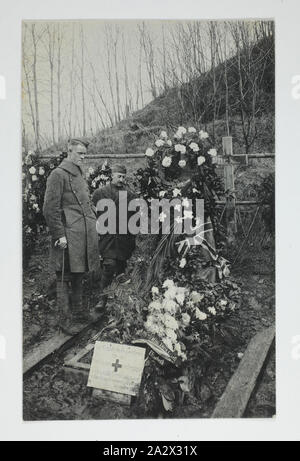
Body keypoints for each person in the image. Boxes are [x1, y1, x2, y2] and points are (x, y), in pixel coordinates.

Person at [43, 138, 99, 334]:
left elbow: (85, 202)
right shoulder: (57, 175)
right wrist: (59, 235)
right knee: (64, 276)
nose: (83, 157)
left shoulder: (79, 173)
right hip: (67, 234)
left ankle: (79, 312)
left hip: (81, 233)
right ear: (69, 152)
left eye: (85, 153)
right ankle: (64, 319)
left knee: (79, 274)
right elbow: (50, 208)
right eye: (80, 153)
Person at [92, 164, 136, 312]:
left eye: (123, 177)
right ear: (112, 176)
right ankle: (102, 299)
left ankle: (118, 300)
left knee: (121, 269)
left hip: (123, 239)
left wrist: (131, 236)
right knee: (109, 266)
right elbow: (94, 214)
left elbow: (134, 217)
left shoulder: (129, 195)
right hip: (108, 237)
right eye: (119, 176)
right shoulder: (100, 193)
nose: (121, 179)